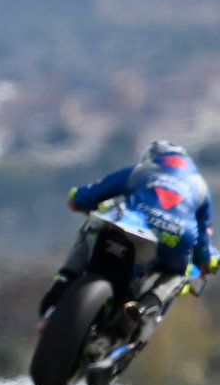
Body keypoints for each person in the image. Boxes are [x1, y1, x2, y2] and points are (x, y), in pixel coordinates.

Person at [41, 140, 219, 339]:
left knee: (92, 226)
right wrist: (205, 261)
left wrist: (76, 198)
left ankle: (64, 279)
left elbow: (88, 195)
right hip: (177, 237)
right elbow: (203, 237)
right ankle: (146, 307)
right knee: (179, 274)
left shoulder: (141, 171)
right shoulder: (200, 187)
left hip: (132, 226)